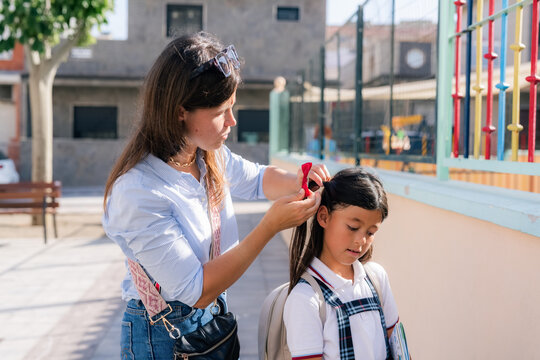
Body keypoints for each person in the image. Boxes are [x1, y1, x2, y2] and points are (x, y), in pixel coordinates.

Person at [102, 32, 330, 359]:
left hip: (211, 318)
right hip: (162, 335)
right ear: (181, 111)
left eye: (232, 107)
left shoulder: (207, 155)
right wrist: (269, 226)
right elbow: (197, 290)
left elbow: (257, 179)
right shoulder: (138, 192)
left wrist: (300, 180)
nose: (232, 122)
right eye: (221, 111)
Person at [283, 167, 399, 360]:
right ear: (323, 217)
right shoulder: (305, 299)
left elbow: (399, 348)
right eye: (353, 227)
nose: (361, 241)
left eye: (370, 232)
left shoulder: (376, 278)